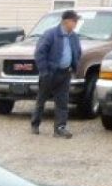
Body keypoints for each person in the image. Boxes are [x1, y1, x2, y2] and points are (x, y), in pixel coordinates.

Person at [31, 10, 82, 138]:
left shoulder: (74, 36)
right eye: (74, 21)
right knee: (41, 99)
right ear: (66, 21)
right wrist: (44, 71)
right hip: (50, 73)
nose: (76, 23)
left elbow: (78, 52)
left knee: (62, 102)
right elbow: (39, 53)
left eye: (76, 21)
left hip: (65, 74)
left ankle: (60, 128)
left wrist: (74, 66)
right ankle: (35, 124)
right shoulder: (51, 34)